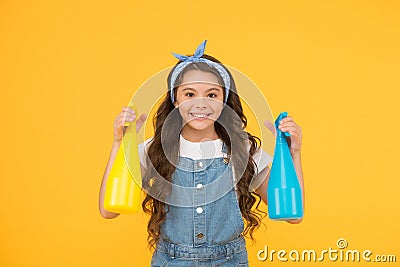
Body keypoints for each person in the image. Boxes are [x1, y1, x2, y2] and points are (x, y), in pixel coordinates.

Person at [98, 40, 305, 266]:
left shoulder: (243, 149)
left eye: (212, 95)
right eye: (189, 94)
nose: (201, 103)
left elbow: (293, 216)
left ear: (224, 100)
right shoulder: (154, 150)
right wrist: (119, 143)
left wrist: (293, 153)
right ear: (175, 99)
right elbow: (108, 210)